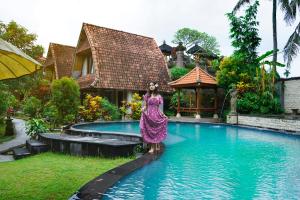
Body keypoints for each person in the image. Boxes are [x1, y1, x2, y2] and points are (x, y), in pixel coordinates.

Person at [139, 82, 168, 153]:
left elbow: (159, 108)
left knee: (156, 131)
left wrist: (163, 115)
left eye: (152, 85)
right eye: (150, 85)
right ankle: (152, 147)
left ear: (155, 86)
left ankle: (157, 144)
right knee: (150, 131)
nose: (151, 86)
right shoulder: (147, 95)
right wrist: (143, 108)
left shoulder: (159, 96)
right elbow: (146, 106)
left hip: (156, 114)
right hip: (149, 115)